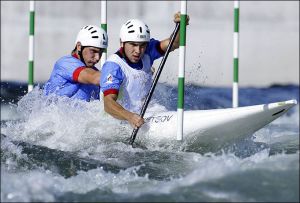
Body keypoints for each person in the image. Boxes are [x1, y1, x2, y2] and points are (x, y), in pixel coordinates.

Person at [100, 12, 189, 129]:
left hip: (149, 114)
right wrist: (130, 116)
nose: (138, 50)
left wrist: (181, 26)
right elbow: (108, 104)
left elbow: (174, 43)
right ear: (122, 42)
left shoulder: (147, 51)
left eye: (142, 45)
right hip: (123, 122)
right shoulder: (113, 66)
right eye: (133, 45)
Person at [44, 25, 108, 101]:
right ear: (79, 46)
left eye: (101, 52)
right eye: (93, 51)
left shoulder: (97, 74)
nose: (97, 58)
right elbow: (95, 78)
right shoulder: (65, 64)